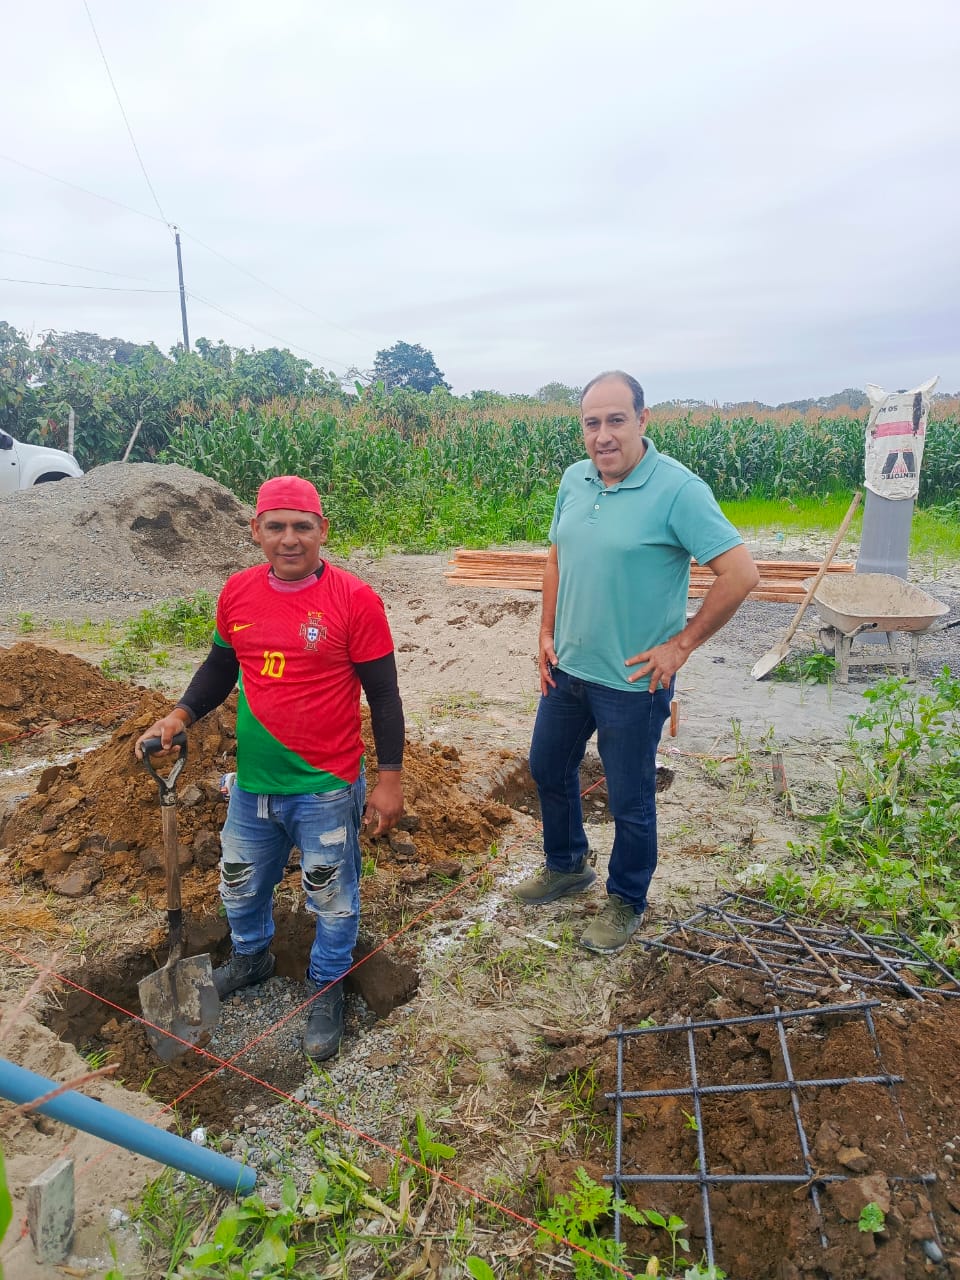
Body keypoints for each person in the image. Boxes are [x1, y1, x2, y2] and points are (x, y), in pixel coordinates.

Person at [135, 475, 404, 1060]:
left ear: (322, 530)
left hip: (326, 786)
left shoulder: (355, 599)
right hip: (253, 785)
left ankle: (326, 986)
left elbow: (384, 695)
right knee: (238, 884)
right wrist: (179, 715)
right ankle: (251, 958)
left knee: (330, 897)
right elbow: (220, 666)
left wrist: (389, 779)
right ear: (255, 531)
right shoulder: (238, 592)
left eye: (302, 526)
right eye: (276, 526)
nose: (289, 539)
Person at [516, 371, 759, 953]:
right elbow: (556, 559)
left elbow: (741, 574)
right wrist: (546, 631)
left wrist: (681, 645)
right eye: (591, 423)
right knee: (547, 767)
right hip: (568, 668)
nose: (603, 435)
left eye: (616, 420)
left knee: (630, 799)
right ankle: (567, 864)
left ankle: (626, 898)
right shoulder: (574, 480)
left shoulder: (678, 490)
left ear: (643, 420)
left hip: (632, 682)